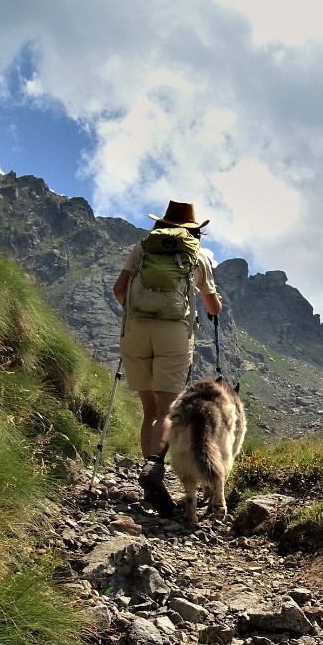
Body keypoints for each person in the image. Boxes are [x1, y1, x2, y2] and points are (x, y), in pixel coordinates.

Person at [113, 200, 224, 514]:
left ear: (161, 224)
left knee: (149, 408)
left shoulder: (142, 249)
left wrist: (137, 313)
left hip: (135, 330)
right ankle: (154, 468)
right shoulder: (198, 256)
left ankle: (149, 481)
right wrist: (216, 302)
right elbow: (213, 308)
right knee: (167, 409)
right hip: (173, 334)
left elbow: (118, 290)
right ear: (194, 229)